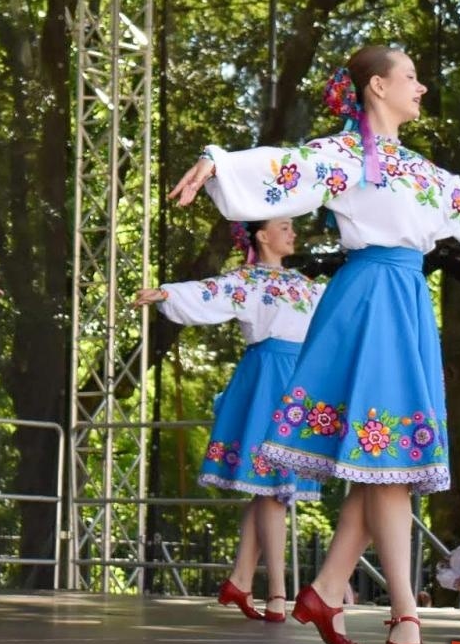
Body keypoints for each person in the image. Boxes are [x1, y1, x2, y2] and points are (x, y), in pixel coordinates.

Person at [167, 45, 460, 644]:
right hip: (369, 299)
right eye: (411, 76)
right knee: (390, 455)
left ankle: (327, 589)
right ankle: (403, 612)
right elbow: (287, 165)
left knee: (382, 461)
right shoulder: (346, 154)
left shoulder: (417, 167)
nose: (421, 86)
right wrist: (217, 162)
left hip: (406, 299)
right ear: (378, 87)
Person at [135, 218, 324, 623]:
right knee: (272, 487)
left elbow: (342, 316)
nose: (293, 233)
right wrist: (167, 293)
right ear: (262, 236)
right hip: (266, 378)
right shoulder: (247, 280)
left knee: (267, 487)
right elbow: (208, 293)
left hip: (298, 379)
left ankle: (241, 579)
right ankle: (278, 592)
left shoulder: (307, 284)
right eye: (284, 227)